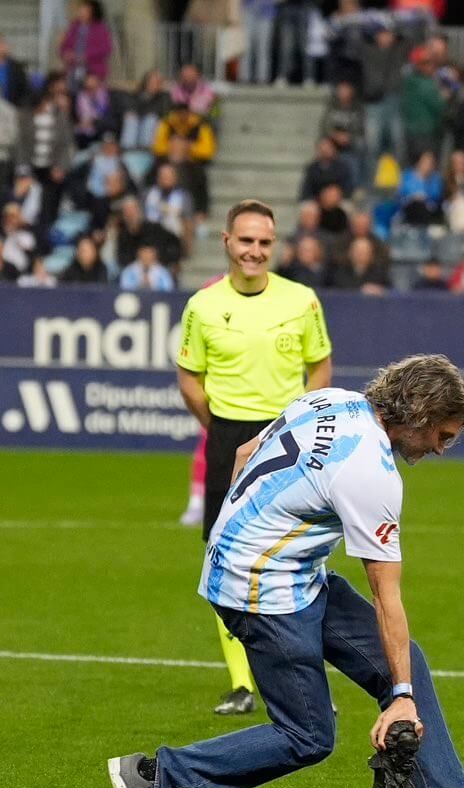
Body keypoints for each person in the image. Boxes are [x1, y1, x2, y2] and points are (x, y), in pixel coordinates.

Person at [107, 354, 464, 788]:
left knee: (403, 661)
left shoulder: (330, 400)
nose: (441, 449)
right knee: (307, 735)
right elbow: (386, 594)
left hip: (282, 570)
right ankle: (156, 779)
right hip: (260, 590)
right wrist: (403, 700)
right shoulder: (371, 471)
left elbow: (244, 453)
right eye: (443, 436)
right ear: (419, 416)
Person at [176, 200, 334, 716]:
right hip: (228, 438)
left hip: (287, 437)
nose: (255, 251)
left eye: (264, 243)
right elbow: (190, 380)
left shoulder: (302, 300)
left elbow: (320, 366)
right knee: (225, 558)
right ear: (227, 242)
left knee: (299, 557)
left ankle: (307, 679)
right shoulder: (202, 307)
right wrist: (222, 430)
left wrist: (296, 426)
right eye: (246, 241)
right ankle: (243, 683)